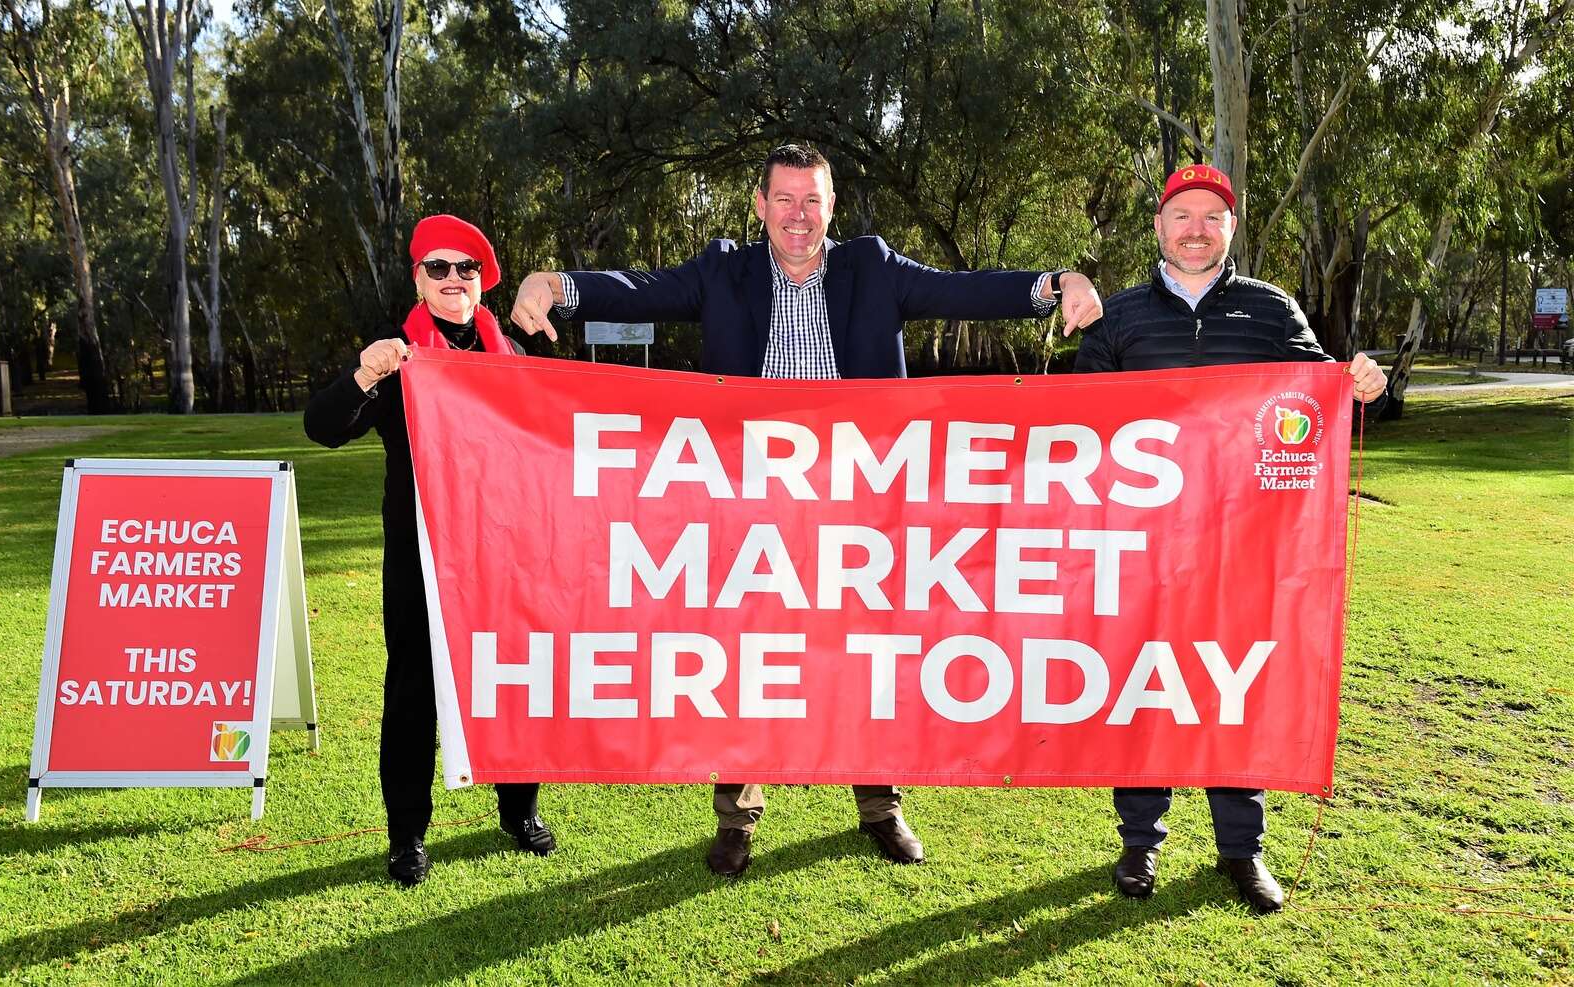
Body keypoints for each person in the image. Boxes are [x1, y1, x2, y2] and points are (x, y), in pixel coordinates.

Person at [508, 143, 1105, 878]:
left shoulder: (872, 267)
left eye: (812, 200)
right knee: (748, 657)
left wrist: (1055, 283)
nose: (798, 216)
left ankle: (880, 804)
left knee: (868, 655)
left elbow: (966, 289)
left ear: (832, 208)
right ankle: (737, 816)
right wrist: (555, 283)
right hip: (753, 507)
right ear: (760, 207)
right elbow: (637, 290)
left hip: (860, 505)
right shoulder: (724, 270)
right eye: (784, 200)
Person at [1074, 163, 1387, 914]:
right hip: (1143, 548)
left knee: (1230, 686)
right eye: (1182, 214)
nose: (1196, 229)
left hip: (1242, 546)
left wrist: (1361, 380)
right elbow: (1079, 427)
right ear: (1159, 225)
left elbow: (1317, 393)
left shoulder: (1271, 311)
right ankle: (1139, 842)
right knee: (1145, 689)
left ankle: (1241, 851)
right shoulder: (1116, 319)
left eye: (1212, 217)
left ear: (1231, 229)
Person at [304, 215, 557, 887]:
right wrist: (364, 372)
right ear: (418, 279)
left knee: (511, 678)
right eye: (438, 268)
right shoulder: (399, 358)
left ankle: (519, 808)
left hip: (505, 556)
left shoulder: (515, 359)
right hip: (420, 557)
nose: (452, 280)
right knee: (413, 688)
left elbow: (555, 449)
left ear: (482, 283)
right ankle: (408, 833)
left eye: (465, 269)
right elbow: (322, 426)